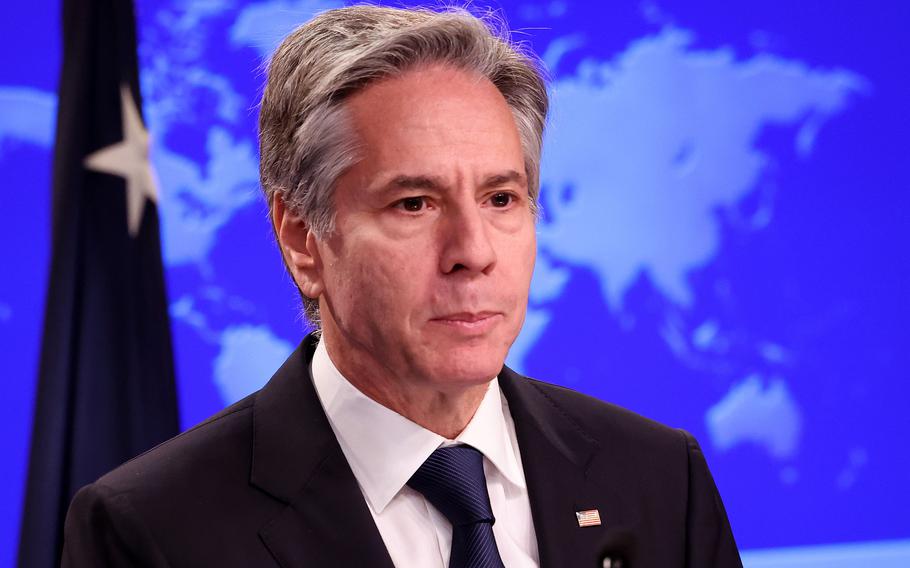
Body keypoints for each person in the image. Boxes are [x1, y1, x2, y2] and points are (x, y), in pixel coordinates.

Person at [62, 5, 742, 567]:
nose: (472, 253)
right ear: (303, 240)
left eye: (502, 199)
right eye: (413, 204)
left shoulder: (659, 481)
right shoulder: (151, 530)